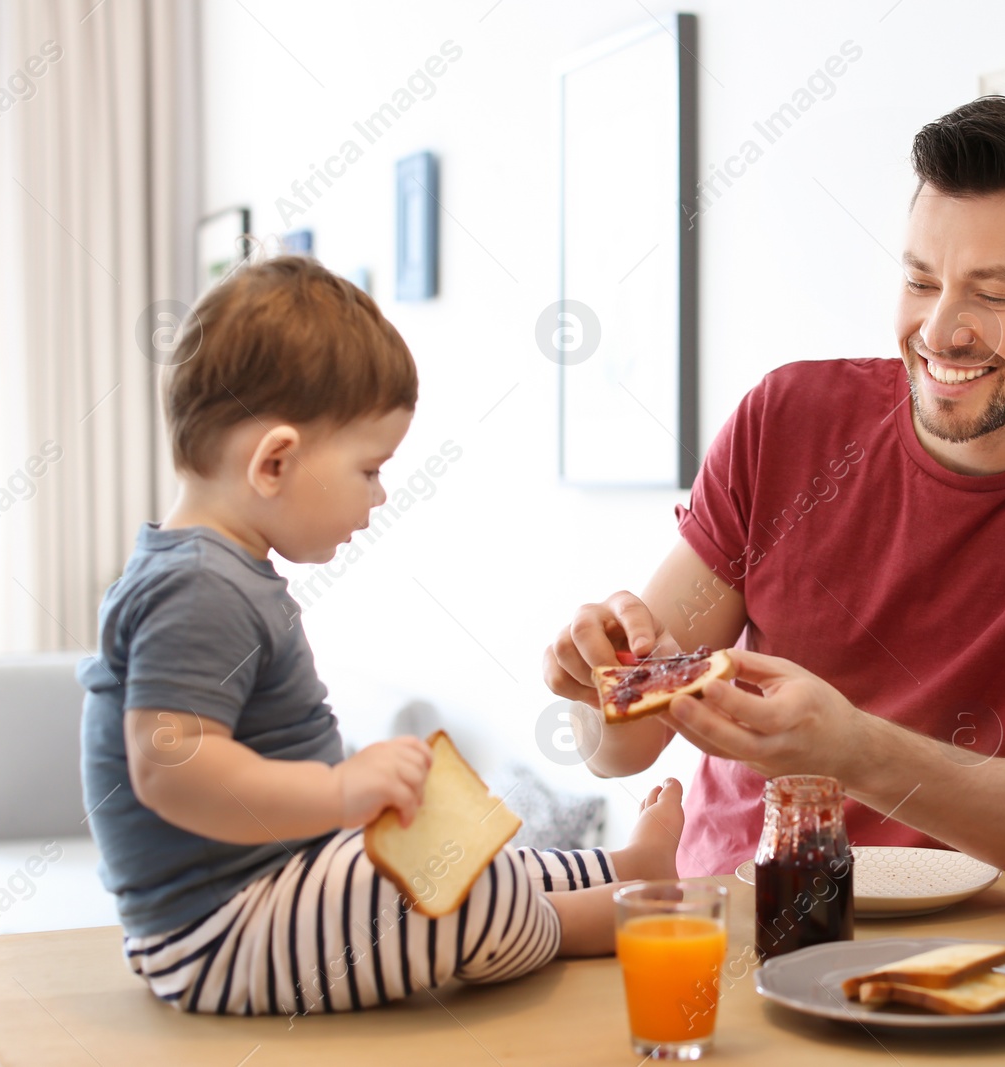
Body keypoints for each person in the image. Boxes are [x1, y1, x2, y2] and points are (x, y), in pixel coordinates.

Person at [544, 97, 1005, 898]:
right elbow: (623, 745)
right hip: (747, 922)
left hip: (998, 958)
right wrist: (597, 688)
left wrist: (852, 748)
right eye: (920, 279)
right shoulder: (783, 421)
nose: (940, 329)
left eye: (995, 294)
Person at [77, 256, 682, 1015]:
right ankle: (600, 913)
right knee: (445, 884)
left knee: (454, 843)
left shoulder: (215, 569)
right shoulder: (198, 585)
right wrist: (337, 792)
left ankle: (623, 866)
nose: (381, 493)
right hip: (219, 928)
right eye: (369, 468)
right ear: (274, 461)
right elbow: (171, 765)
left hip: (269, 889)